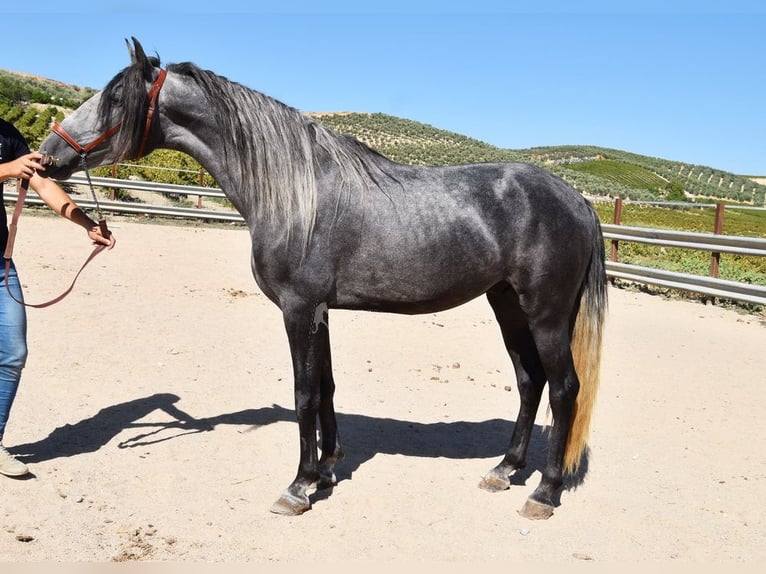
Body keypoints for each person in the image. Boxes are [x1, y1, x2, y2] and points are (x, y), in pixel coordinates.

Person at [0, 118, 115, 477]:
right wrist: (6, 169)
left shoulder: (5, 133)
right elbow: (14, 170)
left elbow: (42, 183)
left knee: (13, 353)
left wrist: (87, 224)